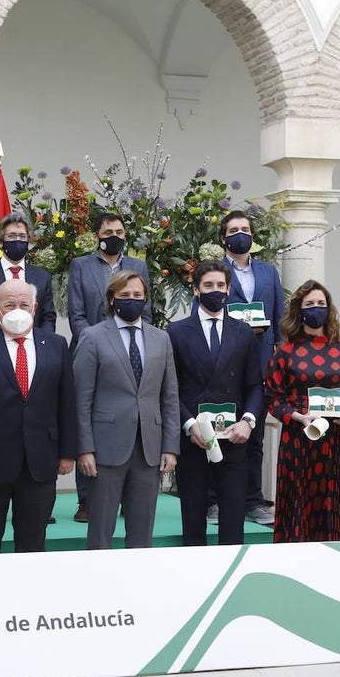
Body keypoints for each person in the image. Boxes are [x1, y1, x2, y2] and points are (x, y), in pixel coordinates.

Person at [0, 279, 77, 553]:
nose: (16, 310)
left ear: (34, 309)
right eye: (9, 304)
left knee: (32, 544)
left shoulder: (56, 344)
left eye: (23, 304)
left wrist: (68, 452)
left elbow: (67, 402)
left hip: (40, 461)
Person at [74, 270, 179, 549]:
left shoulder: (161, 339)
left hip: (149, 448)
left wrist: (170, 446)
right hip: (106, 449)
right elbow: (81, 399)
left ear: (145, 299)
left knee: (142, 533)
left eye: (137, 295)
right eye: (124, 295)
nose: (131, 300)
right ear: (111, 299)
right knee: (100, 532)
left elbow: (169, 396)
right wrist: (85, 449)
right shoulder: (92, 337)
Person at [168, 260, 263, 546]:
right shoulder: (176, 332)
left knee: (234, 518)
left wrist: (248, 421)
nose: (215, 291)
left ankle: (231, 577)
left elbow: (255, 385)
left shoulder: (244, 332)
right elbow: (170, 388)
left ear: (229, 288)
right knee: (193, 517)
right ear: (196, 289)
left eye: (220, 285)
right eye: (208, 285)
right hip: (194, 440)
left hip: (233, 437)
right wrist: (188, 424)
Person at [65, 212, 149, 523]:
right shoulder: (81, 265)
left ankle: (129, 496)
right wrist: (98, 342)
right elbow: (75, 314)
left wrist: (135, 345)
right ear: (96, 235)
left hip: (131, 353)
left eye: (119, 230)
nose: (114, 235)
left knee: (129, 418)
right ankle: (86, 499)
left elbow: (147, 311)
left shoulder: (138, 266)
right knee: (88, 420)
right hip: (90, 352)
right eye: (107, 230)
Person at [265, 280, 340, 542]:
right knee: (298, 501)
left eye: (321, 303)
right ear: (299, 310)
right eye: (310, 304)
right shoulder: (285, 352)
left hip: (335, 442)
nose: (316, 308)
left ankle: (335, 560)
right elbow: (273, 397)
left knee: (333, 503)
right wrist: (298, 417)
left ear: (329, 309)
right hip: (298, 439)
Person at [204, 210, 284, 527]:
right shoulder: (215, 273)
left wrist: (276, 357)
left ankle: (253, 500)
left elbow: (277, 319)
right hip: (224, 360)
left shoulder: (268, 272)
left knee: (254, 436)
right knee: (218, 431)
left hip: (260, 362)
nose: (241, 233)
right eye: (234, 229)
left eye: (246, 228)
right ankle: (214, 501)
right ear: (223, 237)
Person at [0, 211, 55, 332]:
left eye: (22, 236)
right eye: (12, 236)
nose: (17, 240)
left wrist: (39, 342)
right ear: (0, 242)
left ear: (29, 242)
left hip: (32, 346)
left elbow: (48, 318)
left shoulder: (43, 277)